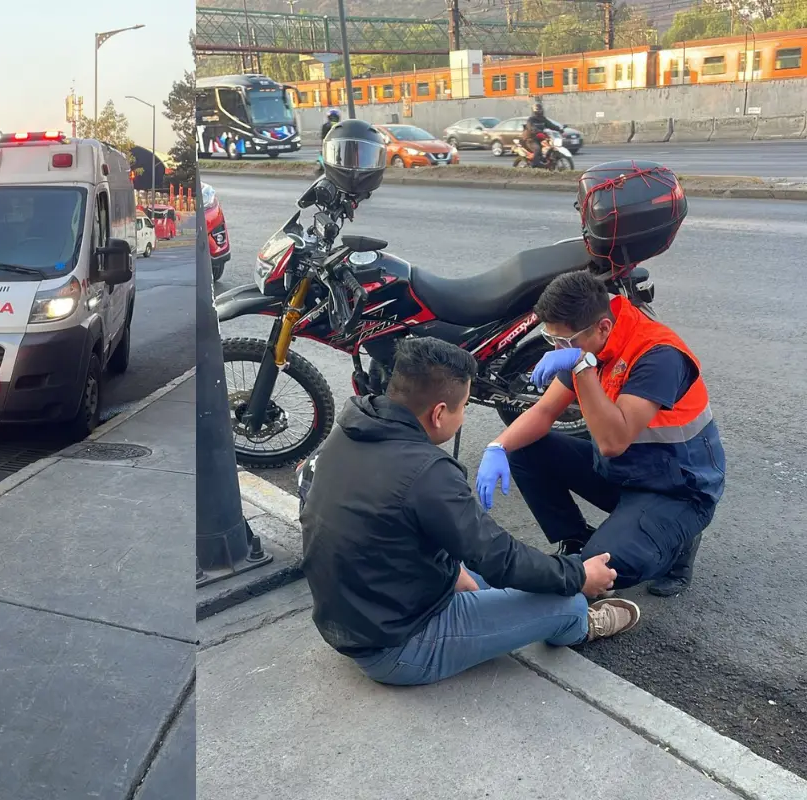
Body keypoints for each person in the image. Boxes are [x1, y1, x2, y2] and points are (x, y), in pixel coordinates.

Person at [297, 336, 641, 687]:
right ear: (439, 413)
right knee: (565, 603)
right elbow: (499, 558)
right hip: (399, 645)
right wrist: (577, 576)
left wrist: (450, 570)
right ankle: (578, 624)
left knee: (510, 576)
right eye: (464, 408)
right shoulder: (426, 472)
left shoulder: (351, 427)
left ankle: (559, 593)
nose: (463, 417)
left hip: (361, 614)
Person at [476, 270, 725, 597]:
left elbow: (613, 442)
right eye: (553, 340)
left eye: (563, 341)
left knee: (599, 569)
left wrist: (581, 368)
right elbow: (544, 412)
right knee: (523, 448)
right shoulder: (585, 343)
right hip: (626, 472)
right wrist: (497, 447)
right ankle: (576, 539)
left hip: (678, 488)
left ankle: (677, 543)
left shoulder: (658, 355)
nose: (558, 349)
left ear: (603, 327)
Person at [522, 101, 561, 167]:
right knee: (538, 149)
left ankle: (546, 161)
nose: (540, 111)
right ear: (535, 111)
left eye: (541, 109)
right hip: (530, 138)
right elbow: (531, 128)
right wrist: (537, 131)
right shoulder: (531, 120)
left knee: (549, 146)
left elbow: (551, 125)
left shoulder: (543, 119)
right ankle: (535, 164)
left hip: (539, 137)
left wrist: (559, 129)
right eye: (539, 110)